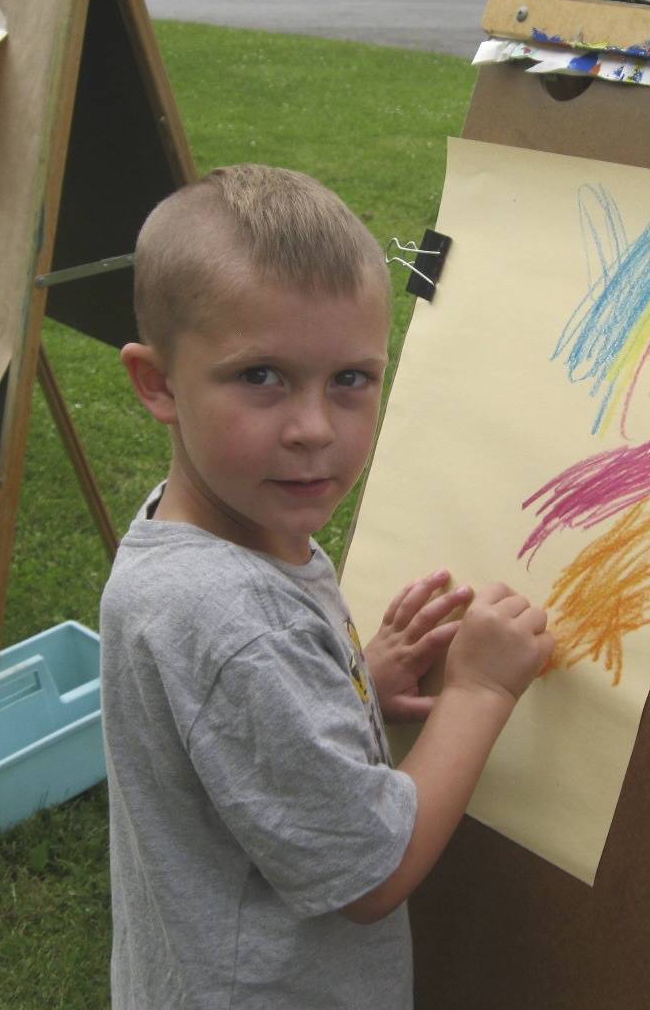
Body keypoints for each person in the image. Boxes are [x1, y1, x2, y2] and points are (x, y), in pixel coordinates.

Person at [103, 166, 553, 1009]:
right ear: (156, 383)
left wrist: (351, 686)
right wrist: (480, 691)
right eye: (261, 377)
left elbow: (234, 731)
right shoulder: (233, 622)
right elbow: (372, 875)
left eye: (351, 379)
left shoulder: (205, 533)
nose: (314, 429)